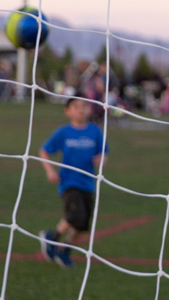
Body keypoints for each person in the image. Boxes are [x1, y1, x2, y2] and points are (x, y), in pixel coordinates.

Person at [38, 93, 109, 268]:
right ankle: (51, 237)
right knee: (76, 215)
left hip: (88, 182)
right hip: (69, 182)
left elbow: (103, 152)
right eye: (76, 107)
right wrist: (50, 171)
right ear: (67, 111)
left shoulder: (95, 131)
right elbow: (44, 150)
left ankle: (64, 251)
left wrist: (101, 160)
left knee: (83, 224)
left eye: (84, 106)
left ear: (90, 109)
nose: (81, 110)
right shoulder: (64, 132)